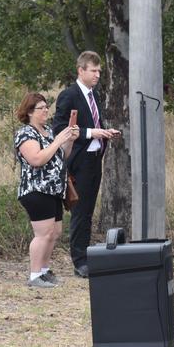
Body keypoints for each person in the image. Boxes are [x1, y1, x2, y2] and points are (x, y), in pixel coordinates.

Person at [52, 51, 121, 278]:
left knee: (89, 211)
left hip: (93, 161)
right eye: (93, 70)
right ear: (80, 70)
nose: (98, 75)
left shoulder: (94, 95)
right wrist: (92, 133)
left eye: (99, 71)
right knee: (80, 212)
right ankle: (79, 261)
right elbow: (60, 129)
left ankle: (86, 257)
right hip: (78, 163)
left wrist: (104, 132)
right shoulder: (69, 95)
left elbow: (93, 122)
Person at [14, 92, 79, 287]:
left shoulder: (48, 131)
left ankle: (43, 270)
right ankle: (34, 275)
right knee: (42, 234)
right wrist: (58, 140)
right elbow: (37, 159)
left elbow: (61, 156)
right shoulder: (26, 133)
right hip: (36, 190)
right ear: (30, 112)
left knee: (54, 232)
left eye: (46, 107)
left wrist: (70, 141)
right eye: (41, 108)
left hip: (54, 190)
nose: (45, 111)